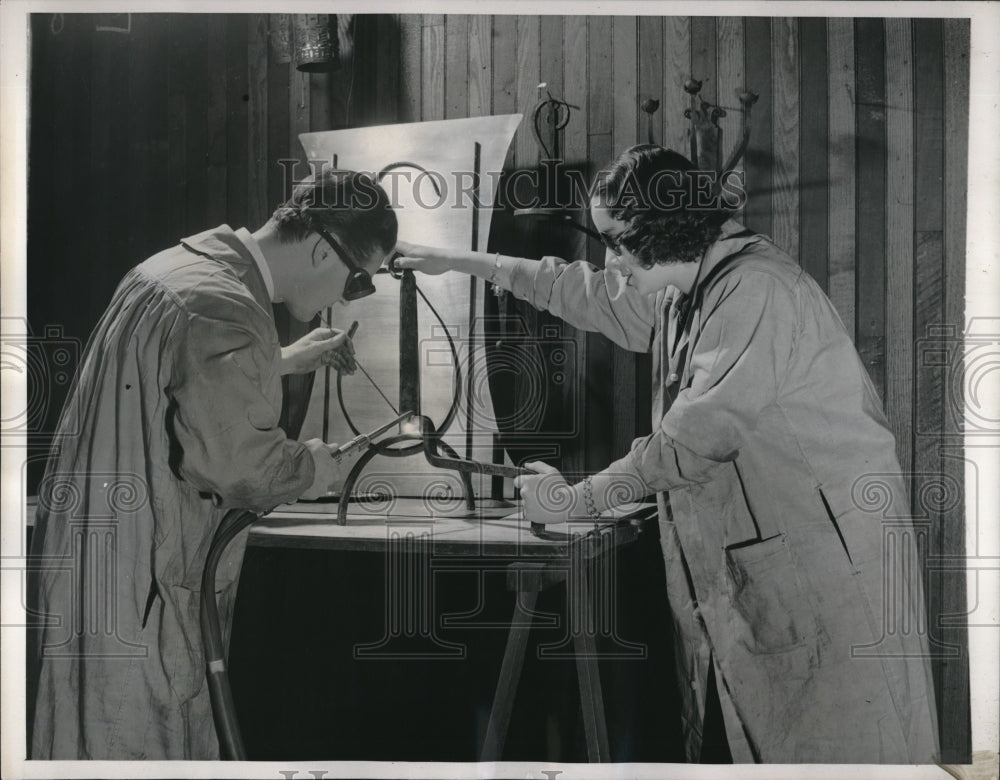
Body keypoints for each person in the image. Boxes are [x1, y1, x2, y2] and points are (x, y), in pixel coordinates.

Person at [395, 145, 939, 764]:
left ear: (664, 229)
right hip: (770, 564)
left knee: (845, 753)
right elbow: (586, 292)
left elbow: (690, 440)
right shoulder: (683, 288)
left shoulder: (755, 290)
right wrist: (461, 261)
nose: (611, 260)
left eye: (619, 242)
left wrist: (577, 499)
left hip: (827, 570)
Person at [28, 169, 397, 759]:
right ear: (323, 249)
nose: (347, 299)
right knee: (142, 749)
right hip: (140, 585)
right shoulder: (226, 309)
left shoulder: (176, 270)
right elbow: (239, 467)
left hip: (91, 568)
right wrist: (315, 467)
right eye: (357, 282)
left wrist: (277, 360)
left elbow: (166, 389)